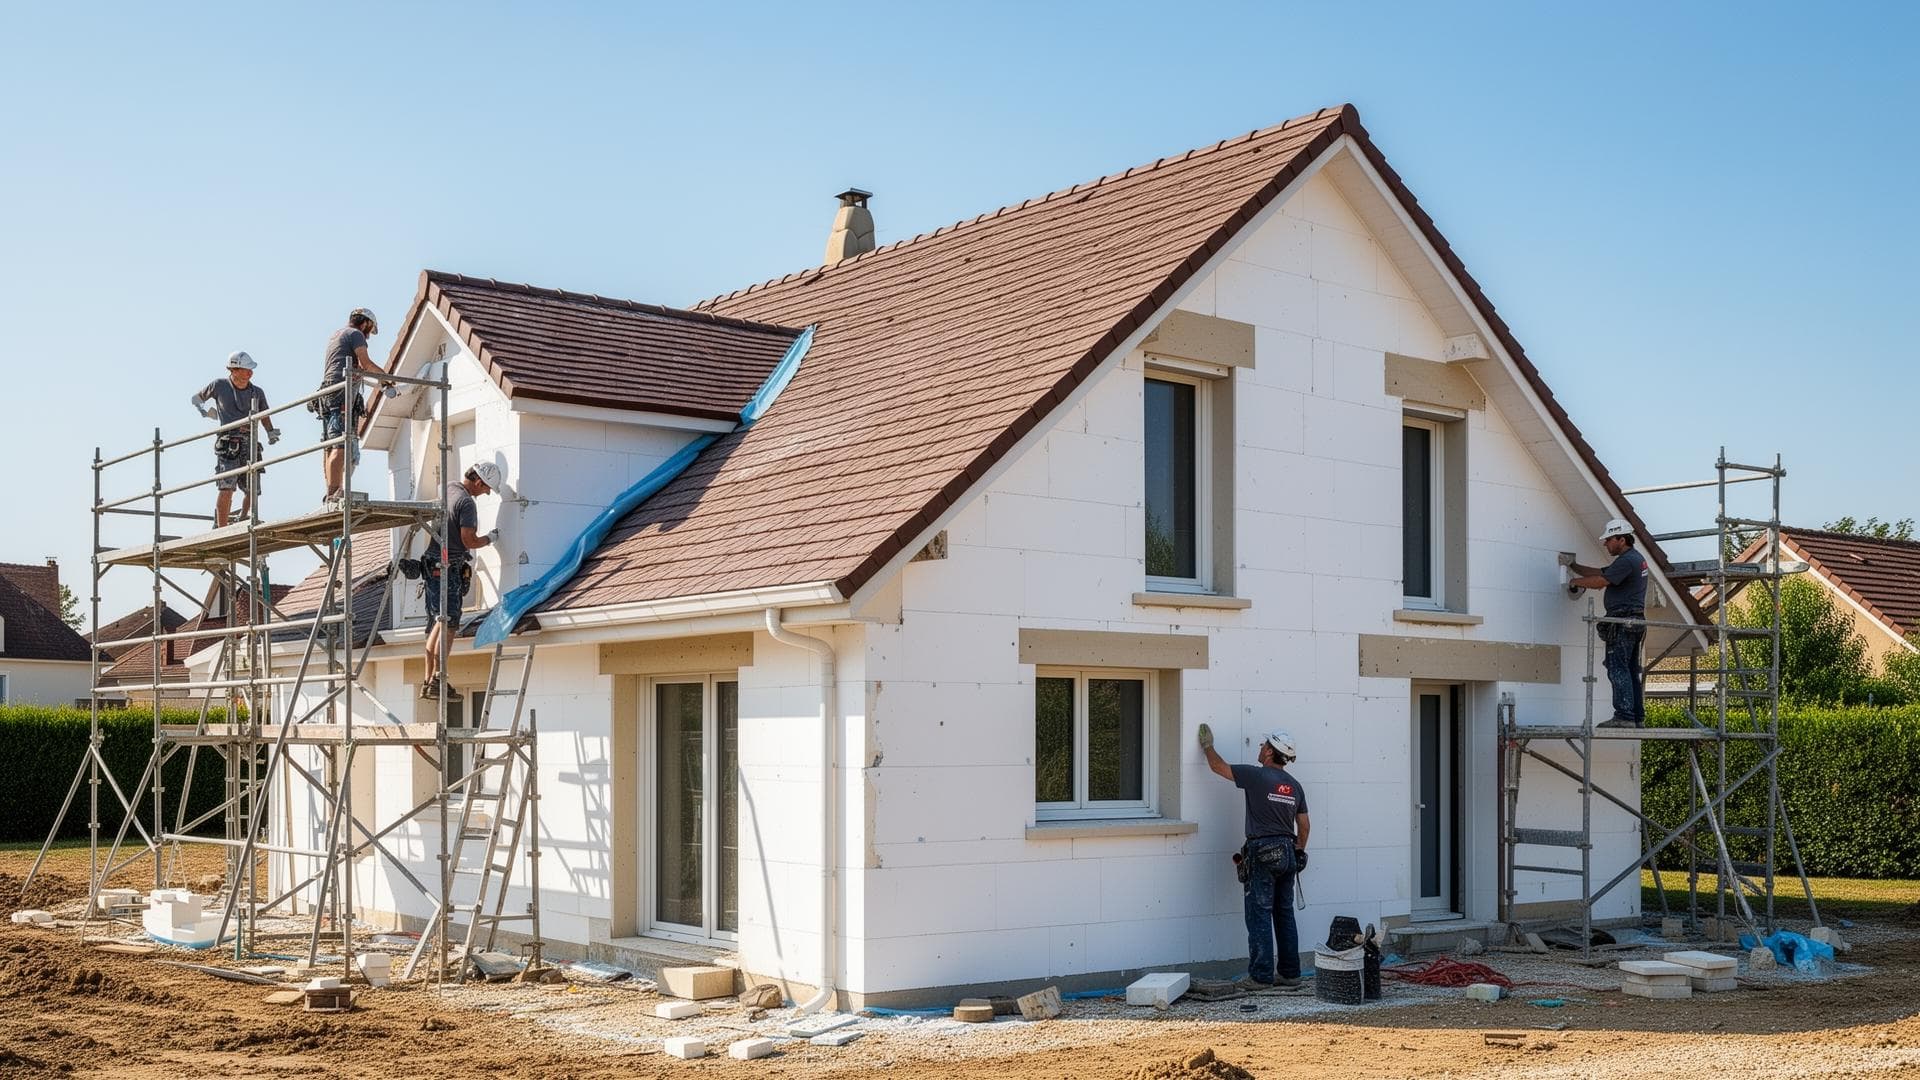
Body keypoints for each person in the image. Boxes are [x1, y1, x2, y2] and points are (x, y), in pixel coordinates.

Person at [1198, 724, 1310, 990]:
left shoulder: (1258, 776)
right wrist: (1299, 851)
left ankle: (1260, 977)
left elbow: (1219, 767)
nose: (1260, 749)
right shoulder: (1294, 786)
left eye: (1263, 746)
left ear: (1270, 752)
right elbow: (1304, 826)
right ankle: (1291, 974)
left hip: (1263, 850)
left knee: (1259, 914)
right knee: (1284, 914)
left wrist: (1207, 747)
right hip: (1287, 851)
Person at [420, 462, 503, 700]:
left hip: (432, 562)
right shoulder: (467, 503)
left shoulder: (447, 488)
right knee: (449, 623)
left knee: (439, 621)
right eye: (486, 488)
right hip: (447, 566)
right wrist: (490, 539)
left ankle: (429, 680)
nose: (486, 493)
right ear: (478, 482)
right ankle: (438, 679)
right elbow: (469, 540)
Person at [1569, 518, 1650, 727]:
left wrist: (1573, 581)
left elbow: (1601, 581)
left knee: (1617, 668)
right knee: (1630, 669)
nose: (1605, 544)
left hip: (1622, 621)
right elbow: (1601, 573)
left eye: (1609, 540)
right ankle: (1636, 716)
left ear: (1621, 539)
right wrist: (1573, 566)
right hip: (1634, 620)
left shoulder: (1626, 560)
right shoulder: (1633, 559)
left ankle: (1624, 716)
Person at [191, 351, 280, 527]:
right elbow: (196, 399)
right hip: (229, 442)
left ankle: (244, 519)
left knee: (253, 489)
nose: (250, 373)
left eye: (250, 370)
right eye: (246, 369)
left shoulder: (257, 392)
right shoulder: (219, 386)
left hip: (250, 442)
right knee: (226, 487)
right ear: (234, 369)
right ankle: (222, 529)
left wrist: (270, 431)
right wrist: (204, 412)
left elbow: (264, 414)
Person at [318, 308, 388, 502]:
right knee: (340, 444)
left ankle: (332, 491)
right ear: (365, 323)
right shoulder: (356, 334)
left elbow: (356, 367)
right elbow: (366, 364)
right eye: (370, 329)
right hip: (341, 394)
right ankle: (334, 493)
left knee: (330, 444)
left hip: (329, 393)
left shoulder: (337, 335)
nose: (369, 335)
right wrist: (387, 379)